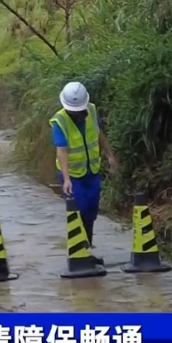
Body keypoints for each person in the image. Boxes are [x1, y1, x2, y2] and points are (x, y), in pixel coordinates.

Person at [49, 81, 119, 263]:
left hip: (91, 171)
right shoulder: (60, 120)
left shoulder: (92, 110)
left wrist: (110, 156)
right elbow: (62, 150)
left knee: (91, 211)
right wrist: (66, 179)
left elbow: (99, 134)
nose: (78, 113)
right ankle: (80, 252)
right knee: (78, 211)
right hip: (72, 175)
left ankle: (87, 248)